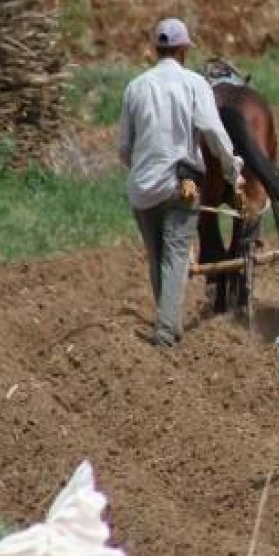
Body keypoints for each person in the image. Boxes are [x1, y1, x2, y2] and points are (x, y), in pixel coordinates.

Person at [118, 18, 243, 347]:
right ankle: (165, 330)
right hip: (181, 184)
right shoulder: (193, 84)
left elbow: (124, 148)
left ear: (154, 49)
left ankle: (166, 319)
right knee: (175, 255)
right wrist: (233, 169)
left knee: (157, 254)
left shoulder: (135, 87)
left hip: (142, 189)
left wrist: (141, 169)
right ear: (184, 49)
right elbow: (213, 131)